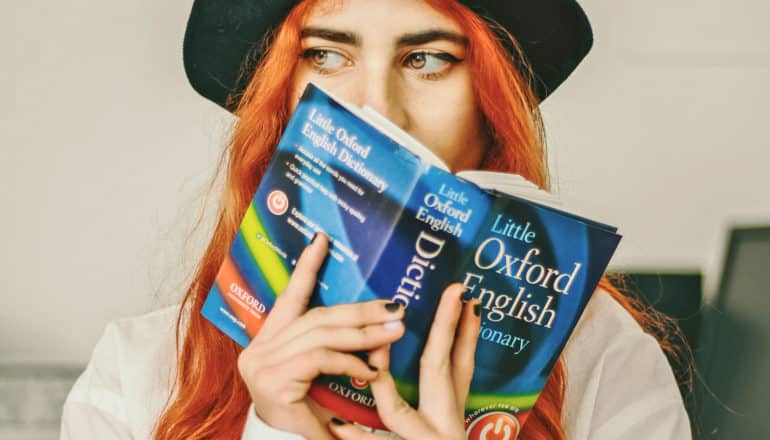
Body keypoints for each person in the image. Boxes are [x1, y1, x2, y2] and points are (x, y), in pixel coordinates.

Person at [61, 0, 693, 439]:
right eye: (326, 57)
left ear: (490, 109)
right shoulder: (139, 375)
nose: (377, 110)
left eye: (427, 59)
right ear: (277, 103)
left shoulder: (603, 359)